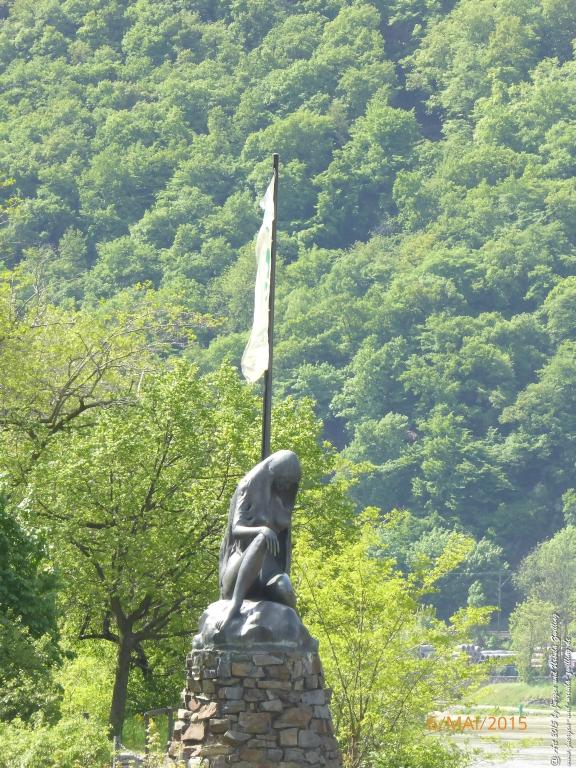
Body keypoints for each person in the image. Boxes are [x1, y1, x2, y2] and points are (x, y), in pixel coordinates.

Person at [216, 449, 301, 630]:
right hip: (239, 571)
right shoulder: (248, 487)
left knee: (284, 588)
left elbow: (285, 548)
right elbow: (236, 528)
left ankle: (295, 636)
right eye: (284, 480)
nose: (286, 486)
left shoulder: (282, 501)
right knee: (263, 537)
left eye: (290, 483)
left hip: (267, 576)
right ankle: (235, 605)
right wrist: (261, 530)